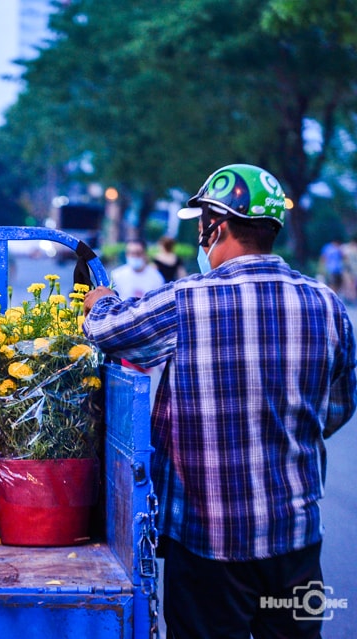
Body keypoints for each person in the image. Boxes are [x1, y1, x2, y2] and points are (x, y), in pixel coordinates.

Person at [81, 164, 356, 639]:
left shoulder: (187, 300)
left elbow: (107, 332)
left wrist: (100, 300)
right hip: (295, 541)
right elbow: (337, 407)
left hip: (208, 544)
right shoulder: (327, 303)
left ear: (217, 226)